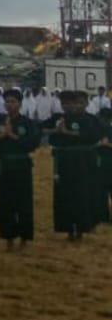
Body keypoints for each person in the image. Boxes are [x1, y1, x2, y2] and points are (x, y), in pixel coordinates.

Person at [0, 88, 38, 249]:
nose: (10, 105)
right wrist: (0, 136)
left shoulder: (27, 123)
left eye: (13, 101)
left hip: (22, 166)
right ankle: (9, 237)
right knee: (5, 203)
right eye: (7, 101)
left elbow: (33, 143)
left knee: (24, 202)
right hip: (4, 166)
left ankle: (25, 237)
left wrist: (12, 135)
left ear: (19, 104)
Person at [46, 90, 102, 242]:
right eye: (64, 103)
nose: (69, 106)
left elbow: (92, 135)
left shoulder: (88, 119)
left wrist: (67, 132)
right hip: (63, 161)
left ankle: (81, 229)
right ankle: (68, 228)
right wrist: (55, 130)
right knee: (64, 195)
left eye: (71, 103)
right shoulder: (58, 118)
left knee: (81, 194)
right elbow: (39, 129)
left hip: (81, 161)